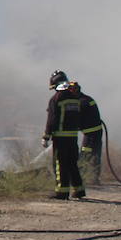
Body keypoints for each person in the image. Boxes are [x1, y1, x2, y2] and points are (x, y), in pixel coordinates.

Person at [43, 70, 93, 200]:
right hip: (73, 137)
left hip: (60, 138)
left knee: (60, 164)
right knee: (72, 164)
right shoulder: (75, 98)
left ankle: (62, 192)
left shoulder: (56, 99)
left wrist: (46, 136)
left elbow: (52, 119)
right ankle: (79, 190)